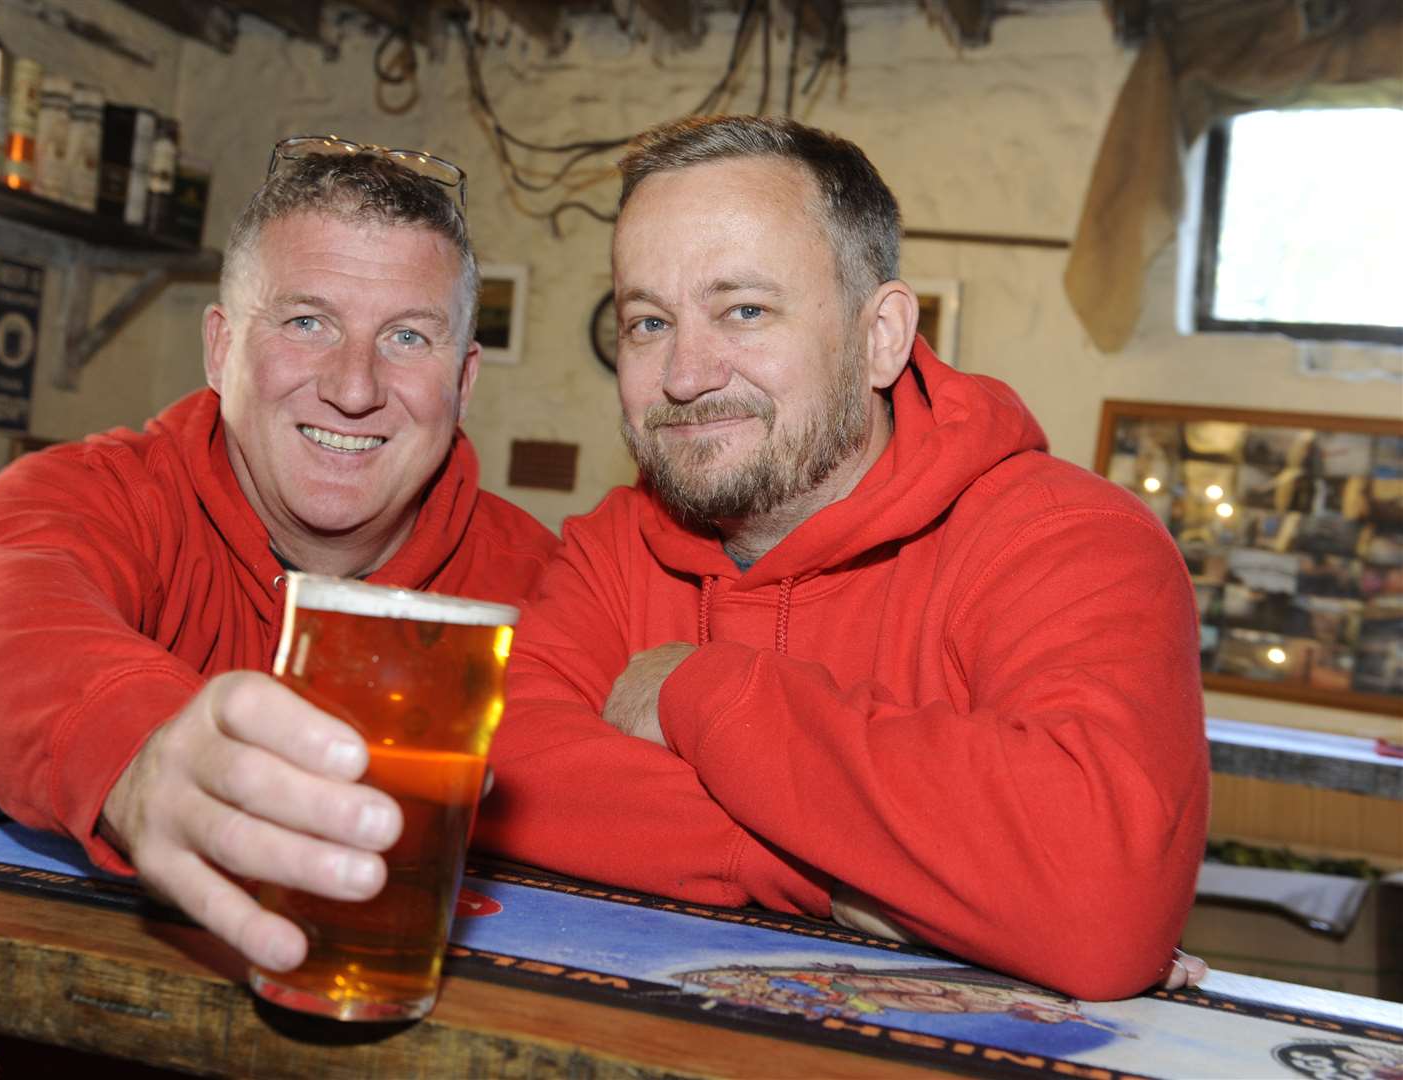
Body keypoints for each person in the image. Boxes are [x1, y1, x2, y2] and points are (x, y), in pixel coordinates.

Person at [476, 115, 1210, 1002]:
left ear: (881, 336)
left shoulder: (1069, 541)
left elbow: (1097, 908)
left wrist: (690, 690)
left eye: (744, 310)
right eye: (647, 322)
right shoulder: (612, 546)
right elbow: (492, 775)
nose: (683, 372)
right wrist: (840, 878)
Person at [0, 142, 558, 977]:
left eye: (407, 337)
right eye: (306, 322)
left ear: (464, 381)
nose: (355, 387)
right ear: (220, 349)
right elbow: (5, 616)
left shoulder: (541, 584)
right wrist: (141, 757)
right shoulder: (91, 496)